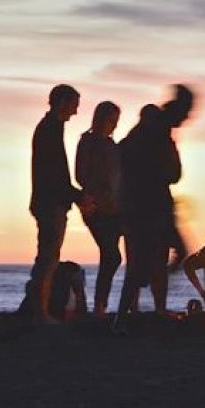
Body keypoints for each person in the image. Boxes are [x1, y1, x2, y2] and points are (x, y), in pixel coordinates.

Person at [114, 86, 195, 331]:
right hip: (148, 206)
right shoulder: (157, 132)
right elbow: (172, 173)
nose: (188, 119)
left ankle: (140, 308)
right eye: (187, 113)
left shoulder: (145, 133)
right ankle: (124, 316)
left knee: (162, 256)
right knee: (150, 260)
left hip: (148, 205)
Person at [27, 84, 89, 324]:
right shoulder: (49, 130)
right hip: (50, 202)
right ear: (62, 102)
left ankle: (37, 308)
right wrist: (77, 196)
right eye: (74, 105)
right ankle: (40, 312)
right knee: (49, 257)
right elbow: (55, 174)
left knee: (47, 256)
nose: (75, 112)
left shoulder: (51, 128)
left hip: (49, 200)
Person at [76, 100, 122, 316]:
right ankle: (99, 306)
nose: (113, 125)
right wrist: (98, 195)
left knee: (111, 255)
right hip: (96, 207)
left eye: (115, 121)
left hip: (115, 206)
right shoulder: (88, 142)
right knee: (111, 255)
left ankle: (102, 305)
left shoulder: (113, 146)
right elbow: (81, 175)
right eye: (110, 120)